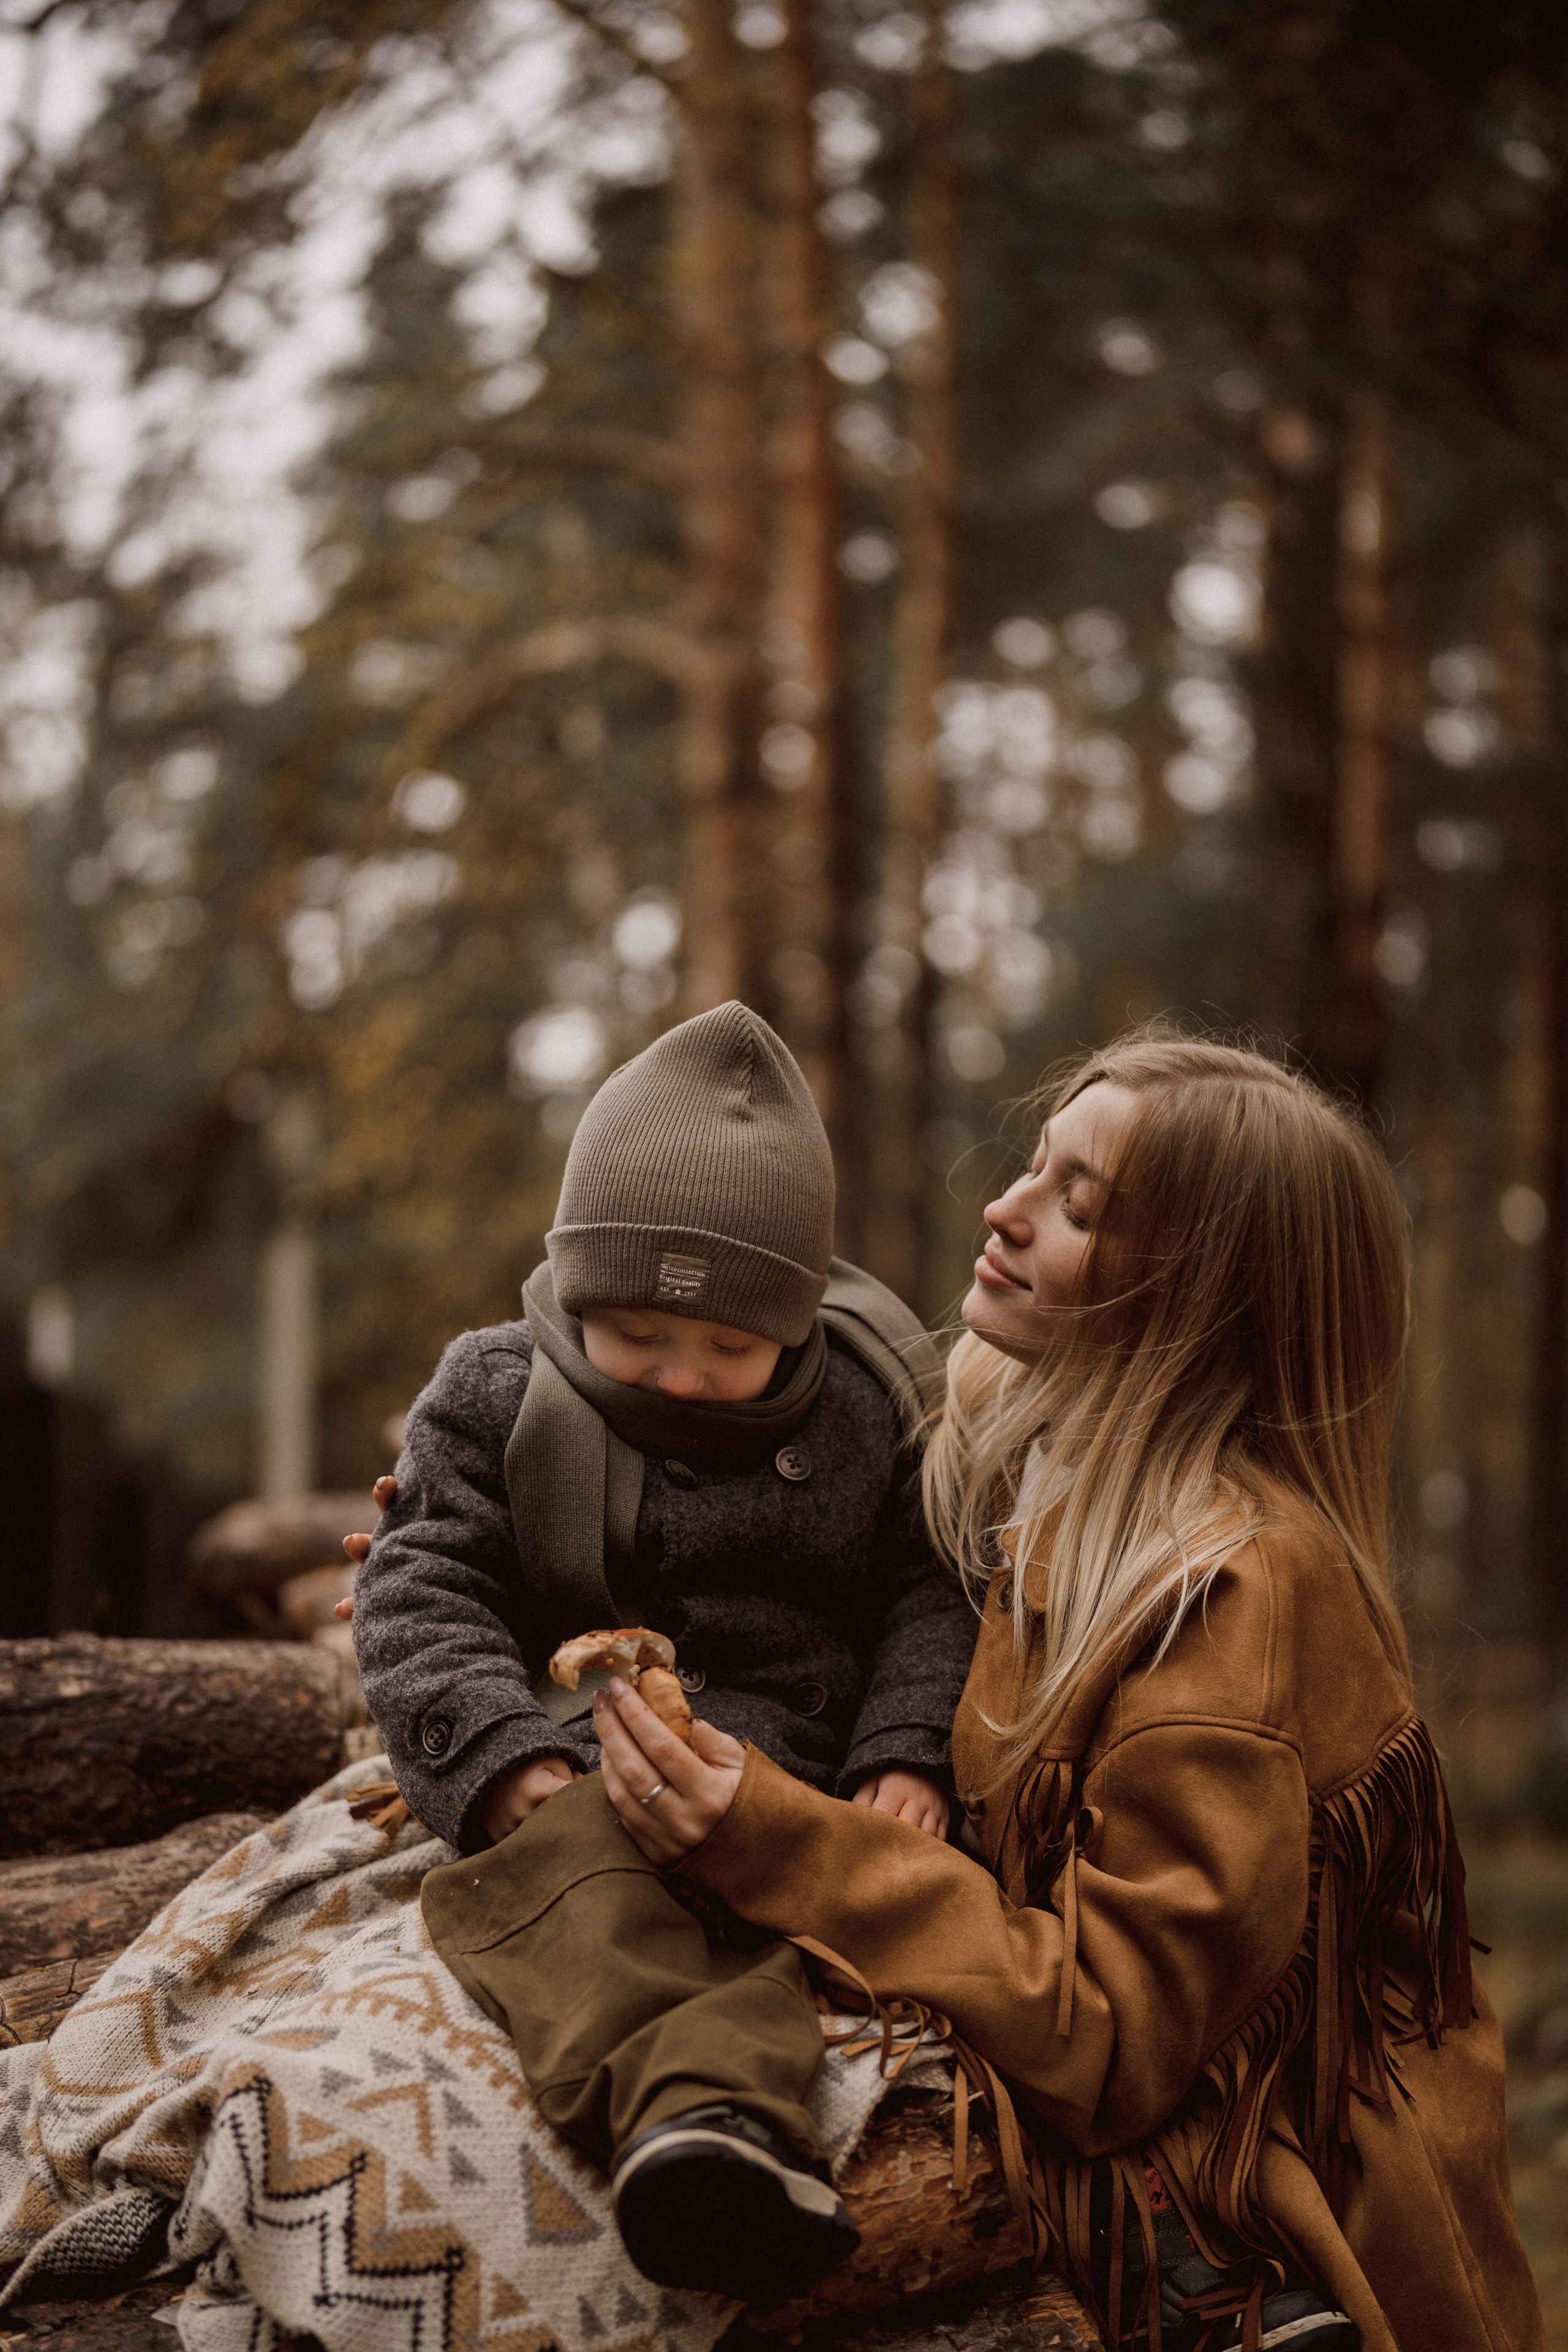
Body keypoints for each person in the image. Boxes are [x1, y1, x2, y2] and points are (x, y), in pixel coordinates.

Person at [590, 1033, 1547, 2352]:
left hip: (1281, 2195)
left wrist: (773, 1838)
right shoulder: (1037, 1479)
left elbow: (1110, 2040)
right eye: (1036, 1170)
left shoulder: (1232, 1594)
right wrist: (487, 1553)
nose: (1004, 1208)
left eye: (1079, 1206)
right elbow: (790, 1573)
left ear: (1200, 1293)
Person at [351, 1001, 974, 2304]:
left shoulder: (872, 1407)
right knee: (578, 1911)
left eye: (728, 1349)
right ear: (577, 1288)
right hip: (581, 1770)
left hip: (791, 1776)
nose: (679, 1378)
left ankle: (707, 2133)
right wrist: (501, 1758)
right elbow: (423, 1588)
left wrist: (903, 1750)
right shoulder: (496, 1391)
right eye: (636, 1338)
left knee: (776, 1921)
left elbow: (928, 1588)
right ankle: (710, 2129)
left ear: (795, 1327)